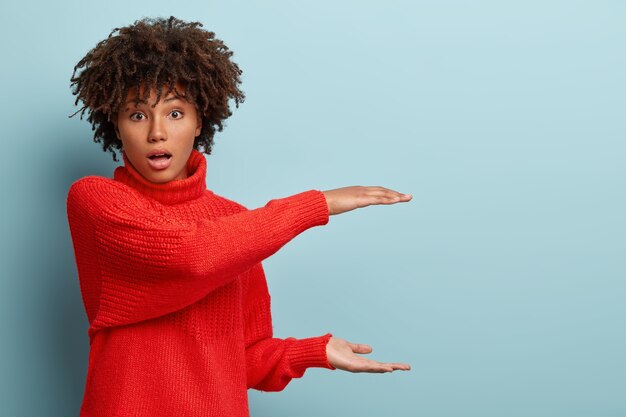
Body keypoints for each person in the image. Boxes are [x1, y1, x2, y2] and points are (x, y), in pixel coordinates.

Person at [66, 16, 412, 417]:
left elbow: (245, 357)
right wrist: (316, 205)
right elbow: (190, 256)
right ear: (116, 124)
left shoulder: (237, 224)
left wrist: (313, 352)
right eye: (138, 114)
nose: (157, 132)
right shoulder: (95, 201)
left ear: (200, 120)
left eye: (175, 113)